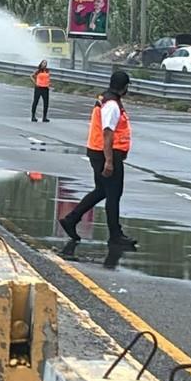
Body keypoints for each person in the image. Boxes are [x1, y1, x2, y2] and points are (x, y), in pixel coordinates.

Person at [59, 71, 137, 248]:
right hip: (107, 153)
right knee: (113, 194)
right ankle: (115, 236)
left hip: (97, 151)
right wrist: (109, 161)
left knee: (102, 190)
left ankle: (71, 219)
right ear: (124, 88)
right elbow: (108, 132)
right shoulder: (112, 105)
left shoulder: (105, 99)